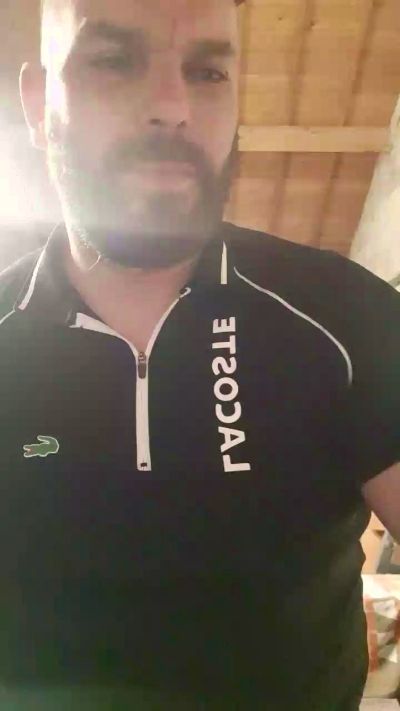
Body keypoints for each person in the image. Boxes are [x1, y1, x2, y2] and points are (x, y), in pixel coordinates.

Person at [0, 0, 399, 708]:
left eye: (208, 72)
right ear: (37, 104)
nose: (172, 107)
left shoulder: (347, 316)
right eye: (115, 61)